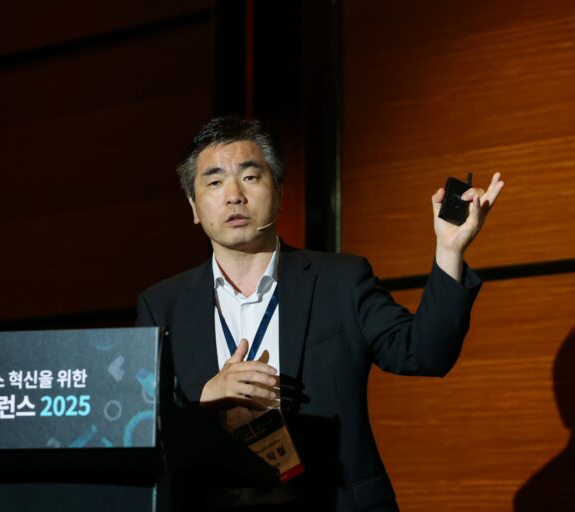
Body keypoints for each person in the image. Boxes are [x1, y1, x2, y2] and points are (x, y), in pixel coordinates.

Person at [136, 115, 504, 511]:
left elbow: (425, 353)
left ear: (279, 191)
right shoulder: (162, 305)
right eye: (214, 182)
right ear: (193, 206)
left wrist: (449, 251)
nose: (234, 195)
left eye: (250, 177)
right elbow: (139, 431)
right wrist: (204, 398)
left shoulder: (341, 280)